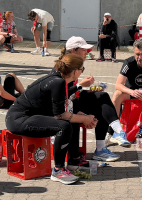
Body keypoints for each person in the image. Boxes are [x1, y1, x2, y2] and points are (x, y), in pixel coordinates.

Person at [6, 54, 94, 183]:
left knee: (73, 120)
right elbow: (60, 115)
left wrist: (80, 116)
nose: (82, 72)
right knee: (64, 126)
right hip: (19, 120)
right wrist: (85, 119)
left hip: (27, 116)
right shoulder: (58, 82)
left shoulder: (58, 79)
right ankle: (58, 170)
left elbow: (61, 98)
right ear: (75, 71)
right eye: (82, 69)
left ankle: (74, 160)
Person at [58, 37, 130, 161]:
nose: (86, 53)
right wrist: (81, 86)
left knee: (101, 97)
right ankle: (103, 145)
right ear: (74, 50)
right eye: (83, 50)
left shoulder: (74, 64)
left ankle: (115, 135)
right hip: (62, 109)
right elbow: (62, 95)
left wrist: (85, 90)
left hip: (71, 102)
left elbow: (71, 92)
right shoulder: (64, 66)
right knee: (99, 103)